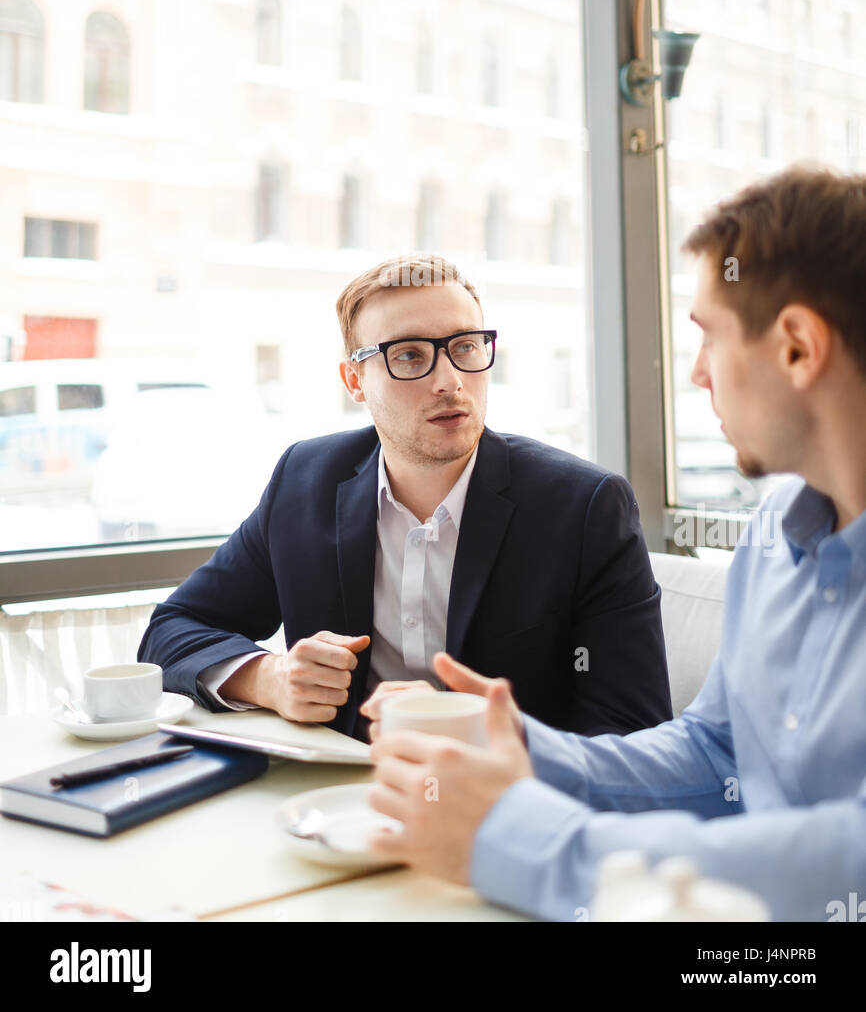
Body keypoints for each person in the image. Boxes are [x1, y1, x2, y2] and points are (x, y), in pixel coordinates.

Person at [367, 168, 866, 921]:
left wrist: (521, 839)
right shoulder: (776, 533)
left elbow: (849, 858)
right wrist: (529, 754)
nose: (696, 373)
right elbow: (717, 754)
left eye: (708, 337)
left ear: (797, 347)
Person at [138, 253, 672, 739]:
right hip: (337, 799)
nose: (450, 381)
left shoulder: (584, 507)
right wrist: (268, 677)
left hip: (505, 811)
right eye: (410, 356)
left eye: (465, 347)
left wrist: (460, 726)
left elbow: (634, 726)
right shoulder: (306, 481)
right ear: (354, 379)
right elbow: (172, 630)